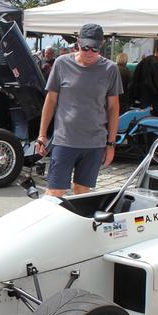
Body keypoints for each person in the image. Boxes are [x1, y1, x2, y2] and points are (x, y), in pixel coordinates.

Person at [36, 23, 122, 196]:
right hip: (65, 140)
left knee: (82, 194)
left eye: (95, 48)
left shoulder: (110, 69)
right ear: (78, 42)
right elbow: (50, 101)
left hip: (94, 143)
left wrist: (111, 144)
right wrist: (42, 135)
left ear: (102, 45)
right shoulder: (61, 64)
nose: (89, 52)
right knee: (53, 194)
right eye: (85, 47)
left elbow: (113, 108)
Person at [130, 42, 158, 116]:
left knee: (143, 118)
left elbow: (137, 76)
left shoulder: (146, 61)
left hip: (144, 96)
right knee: (156, 119)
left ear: (155, 50)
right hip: (157, 96)